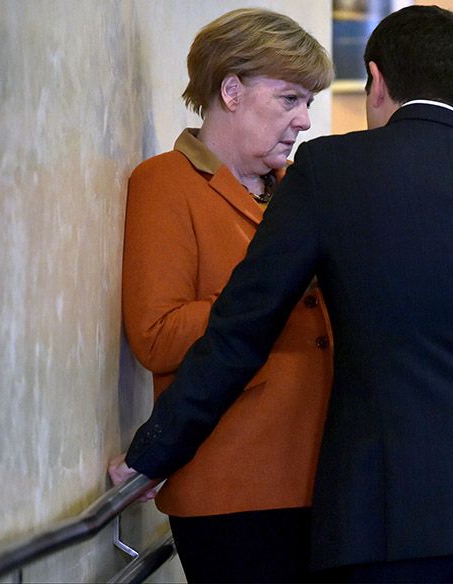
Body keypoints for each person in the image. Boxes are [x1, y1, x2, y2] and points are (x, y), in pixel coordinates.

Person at [113, 5, 453, 582]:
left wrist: (149, 456)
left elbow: (239, 331)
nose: (304, 120)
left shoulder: (331, 173)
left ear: (375, 81)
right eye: (290, 100)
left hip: (398, 512)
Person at [108, 8, 334, 583]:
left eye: (308, 102)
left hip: (325, 478)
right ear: (231, 90)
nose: (305, 120)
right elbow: (157, 336)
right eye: (289, 99)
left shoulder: (300, 194)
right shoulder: (166, 183)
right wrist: (268, 300)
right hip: (234, 485)